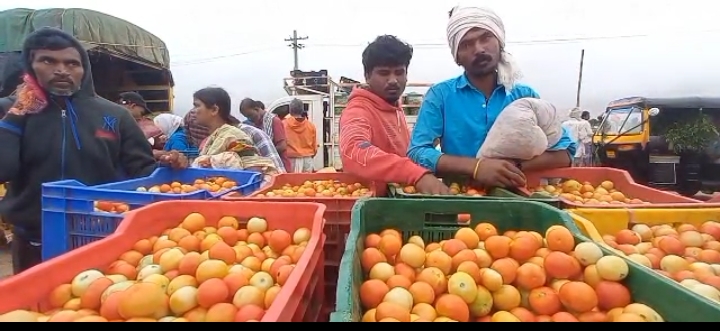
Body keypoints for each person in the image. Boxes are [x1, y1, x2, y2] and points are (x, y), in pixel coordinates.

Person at [0, 28, 187, 273]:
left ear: (84, 70)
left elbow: (143, 172)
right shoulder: (9, 110)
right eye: (48, 60)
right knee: (32, 307)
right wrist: (18, 113)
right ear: (30, 66)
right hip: (33, 241)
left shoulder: (114, 115)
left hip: (99, 235)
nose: (61, 70)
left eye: (72, 63)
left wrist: (169, 164)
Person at [407, 6, 576, 188]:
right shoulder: (440, 95)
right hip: (460, 200)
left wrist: (513, 168)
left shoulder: (525, 96)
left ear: (499, 42)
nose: (479, 49)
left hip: (518, 199)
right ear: (457, 57)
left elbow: (565, 152)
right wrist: (476, 168)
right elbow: (417, 152)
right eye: (466, 44)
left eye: (485, 38)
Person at [339, 35, 447, 194]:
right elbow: (354, 150)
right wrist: (415, 174)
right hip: (374, 209)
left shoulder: (394, 107)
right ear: (367, 75)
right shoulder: (358, 110)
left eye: (399, 72)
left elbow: (402, 152)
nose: (393, 80)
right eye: (384, 73)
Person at [191, 87, 279, 178]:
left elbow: (253, 171)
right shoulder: (211, 139)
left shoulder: (234, 136)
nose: (193, 111)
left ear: (214, 110)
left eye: (197, 105)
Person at [239, 98, 291, 171]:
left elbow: (282, 146)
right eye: (247, 117)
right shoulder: (256, 124)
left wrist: (265, 154)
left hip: (280, 165)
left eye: (250, 115)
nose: (249, 119)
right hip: (267, 166)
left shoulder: (274, 121)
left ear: (256, 109)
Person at [284, 99, 317, 173]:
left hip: (292, 159)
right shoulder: (311, 126)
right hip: (307, 159)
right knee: (307, 183)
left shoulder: (283, 124)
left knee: (294, 183)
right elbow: (314, 148)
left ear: (290, 110)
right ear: (302, 110)